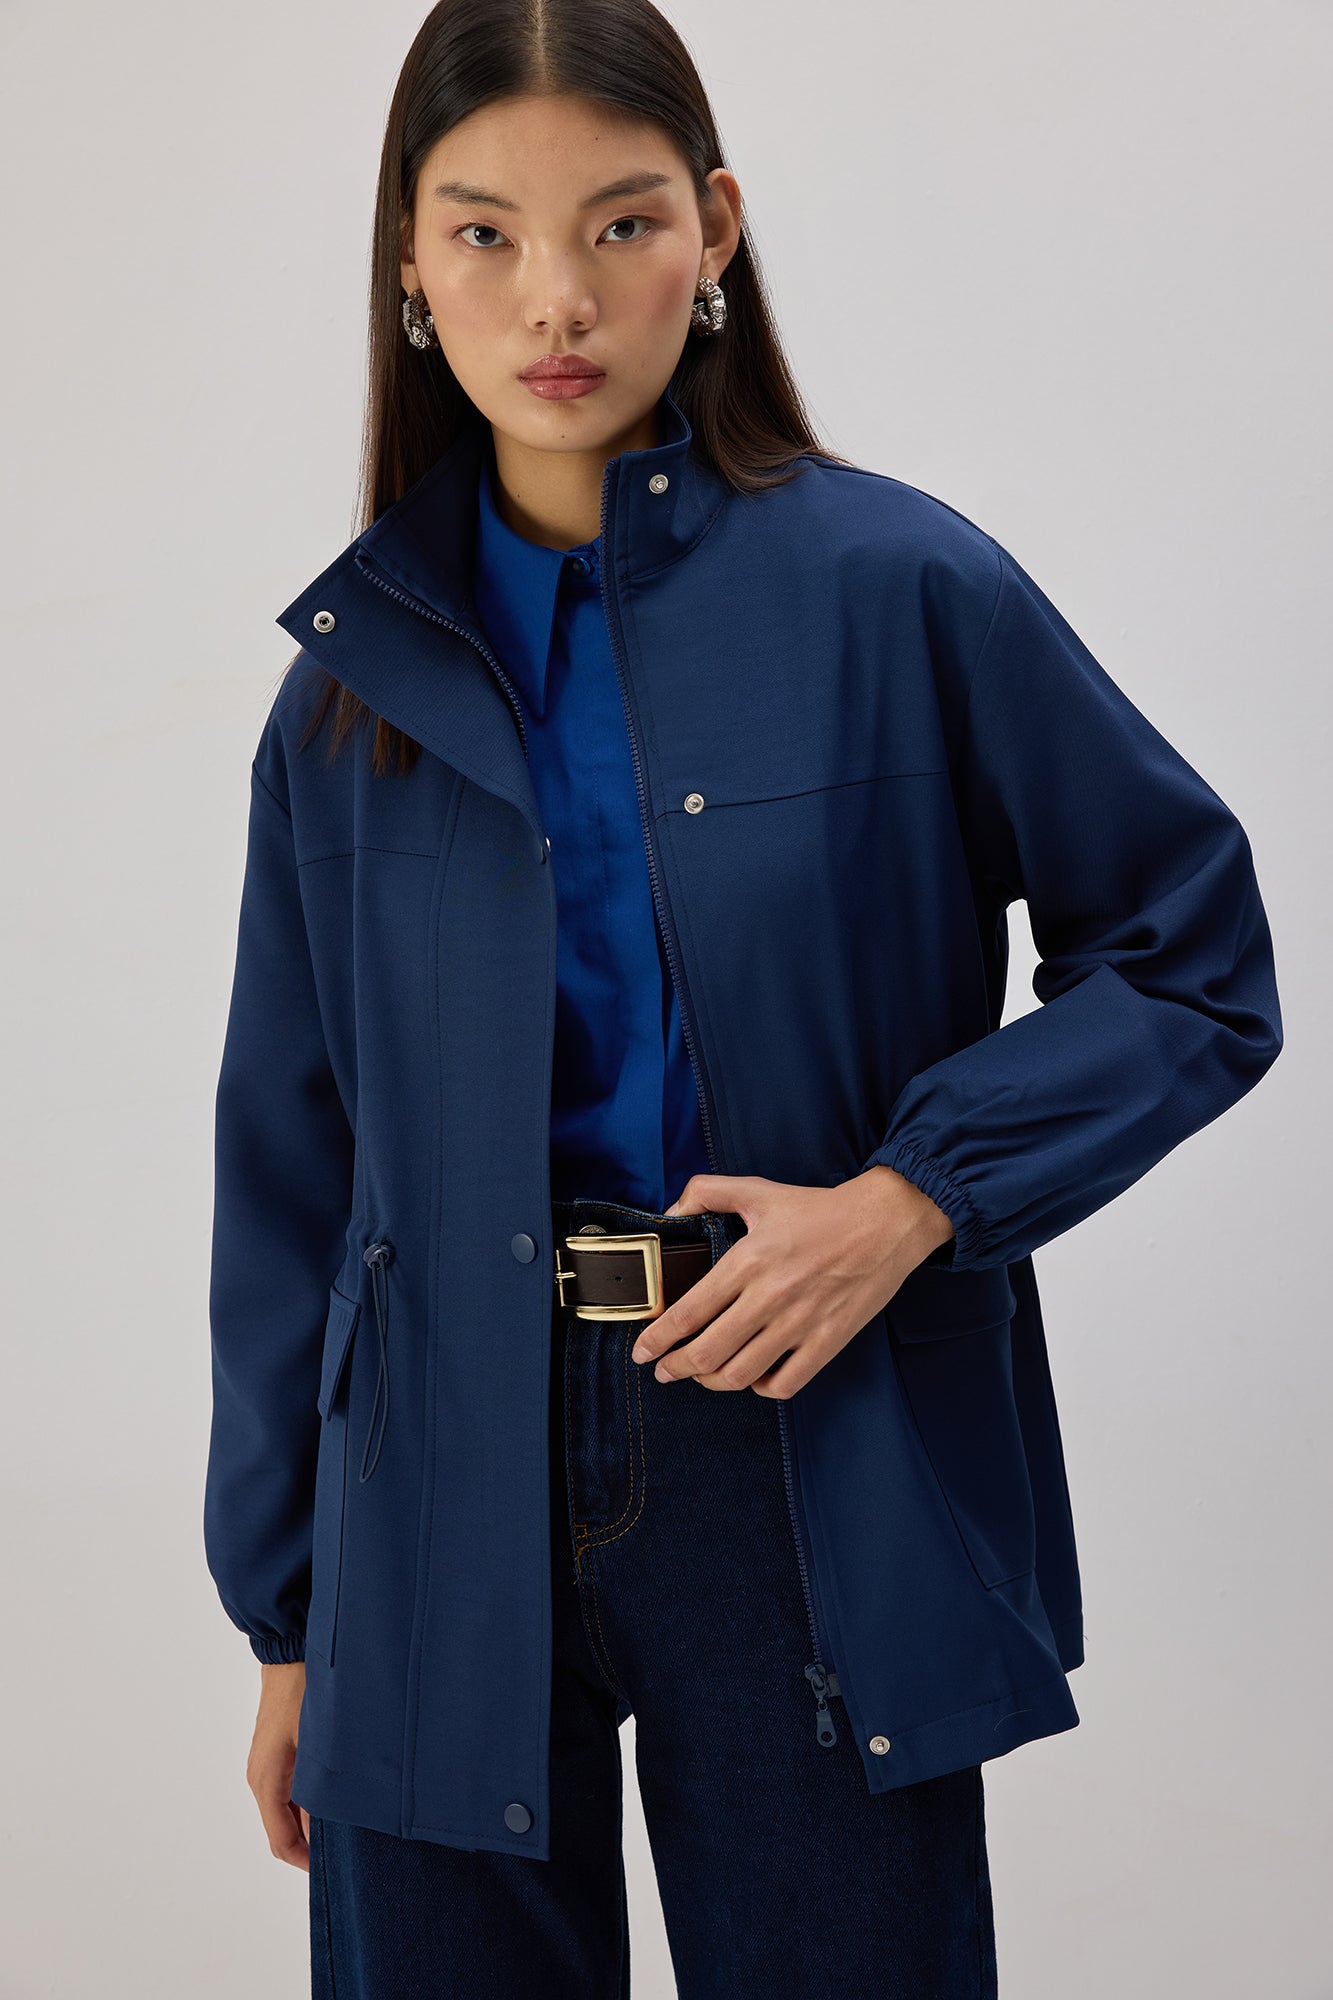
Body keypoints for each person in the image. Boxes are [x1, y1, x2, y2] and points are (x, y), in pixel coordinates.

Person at [202, 1, 1284, 1992]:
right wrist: (287, 1620)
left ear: (711, 229)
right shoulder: (348, 688)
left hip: (797, 1421)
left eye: (617, 225)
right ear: (409, 266)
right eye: (484, 234)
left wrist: (912, 1197)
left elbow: (1188, 955)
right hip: (430, 1483)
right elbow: (291, 1167)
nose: (555, 298)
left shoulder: (901, 589)